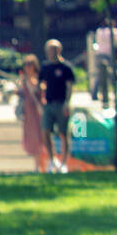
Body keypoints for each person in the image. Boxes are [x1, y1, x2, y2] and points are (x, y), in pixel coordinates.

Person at [39, 38, 76, 173]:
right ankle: (52, 160)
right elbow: (41, 84)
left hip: (61, 104)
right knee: (46, 131)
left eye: (54, 49)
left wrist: (67, 103)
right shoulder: (45, 67)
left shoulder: (66, 68)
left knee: (63, 133)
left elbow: (69, 86)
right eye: (49, 50)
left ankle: (64, 163)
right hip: (48, 104)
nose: (51, 52)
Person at [18, 54, 45, 172]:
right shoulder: (22, 81)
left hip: (38, 112)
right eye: (26, 64)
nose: (28, 67)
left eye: (30, 64)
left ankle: (43, 164)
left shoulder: (39, 79)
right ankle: (37, 165)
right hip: (28, 113)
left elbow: (43, 93)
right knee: (32, 138)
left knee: (41, 136)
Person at [93, 17, 117, 107]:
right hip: (107, 55)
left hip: (99, 54)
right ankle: (111, 94)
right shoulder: (112, 32)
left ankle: (95, 93)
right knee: (110, 75)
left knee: (99, 75)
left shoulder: (99, 31)